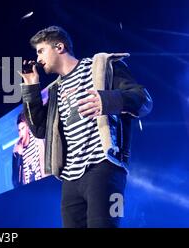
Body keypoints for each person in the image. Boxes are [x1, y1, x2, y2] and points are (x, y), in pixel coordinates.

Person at [18, 25, 153, 228]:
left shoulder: (101, 66)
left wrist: (107, 101)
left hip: (104, 168)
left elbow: (144, 100)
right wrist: (31, 88)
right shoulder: (55, 90)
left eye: (41, 50)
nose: (38, 59)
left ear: (59, 47)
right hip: (70, 180)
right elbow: (38, 130)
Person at [12, 112, 46, 188]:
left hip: (44, 185)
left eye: (23, 128)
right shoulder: (16, 150)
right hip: (28, 191)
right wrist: (19, 156)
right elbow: (15, 182)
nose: (21, 133)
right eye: (19, 130)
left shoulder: (38, 139)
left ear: (27, 127)